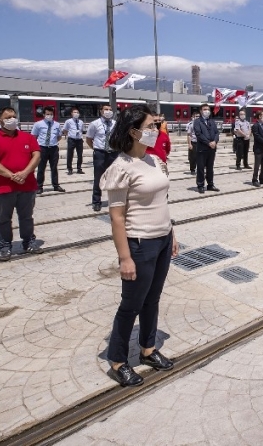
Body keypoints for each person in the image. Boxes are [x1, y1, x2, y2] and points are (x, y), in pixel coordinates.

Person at [101, 105, 178, 387]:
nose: (156, 130)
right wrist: (125, 258)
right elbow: (117, 217)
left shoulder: (155, 161)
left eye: (156, 125)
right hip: (139, 244)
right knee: (130, 304)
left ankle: (147, 349)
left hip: (162, 239)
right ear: (134, 132)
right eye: (150, 126)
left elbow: (163, 201)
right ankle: (118, 360)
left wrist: (172, 233)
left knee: (152, 299)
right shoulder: (120, 167)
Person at [0, 107, 43, 261]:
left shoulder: (27, 137)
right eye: (8, 117)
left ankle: (29, 242)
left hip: (27, 185)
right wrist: (11, 176)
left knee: (26, 217)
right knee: (3, 219)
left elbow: (36, 156)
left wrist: (25, 173)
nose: (12, 120)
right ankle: (4, 246)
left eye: (14, 116)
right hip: (2, 187)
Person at [86, 104, 117, 212]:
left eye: (110, 109)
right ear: (101, 111)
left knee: (114, 177)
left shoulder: (115, 124)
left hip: (113, 153)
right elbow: (89, 139)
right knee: (98, 178)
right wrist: (95, 149)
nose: (108, 111)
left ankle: (114, 200)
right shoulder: (94, 124)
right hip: (100, 153)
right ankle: (96, 201)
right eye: (106, 109)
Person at [31, 106, 65, 195]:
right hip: (42, 148)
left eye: (51, 114)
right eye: (47, 114)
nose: (49, 116)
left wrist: (52, 142)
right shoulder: (38, 124)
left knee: (54, 168)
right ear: (43, 115)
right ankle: (39, 186)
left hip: (53, 148)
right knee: (41, 168)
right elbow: (34, 137)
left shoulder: (57, 124)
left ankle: (56, 185)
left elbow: (59, 136)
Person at [192, 103, 220, 193]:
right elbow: (198, 134)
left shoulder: (212, 121)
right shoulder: (197, 122)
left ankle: (210, 184)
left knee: (210, 167)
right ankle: (200, 185)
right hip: (202, 148)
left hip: (212, 149)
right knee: (200, 167)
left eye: (208, 109)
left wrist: (215, 141)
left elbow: (216, 133)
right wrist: (208, 143)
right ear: (201, 111)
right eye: (205, 109)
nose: (207, 111)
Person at [251, 111, 263, 187]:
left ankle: (262, 179)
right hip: (258, 148)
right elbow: (257, 136)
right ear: (259, 116)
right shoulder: (255, 126)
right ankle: (254, 180)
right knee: (257, 165)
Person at [63, 108, 85, 175]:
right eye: (74, 112)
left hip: (79, 140)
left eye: (77, 112)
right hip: (71, 139)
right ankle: (70, 169)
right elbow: (65, 130)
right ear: (71, 113)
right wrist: (68, 135)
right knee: (70, 154)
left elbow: (82, 130)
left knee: (80, 155)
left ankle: (79, 168)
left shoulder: (81, 122)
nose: (76, 114)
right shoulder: (68, 121)